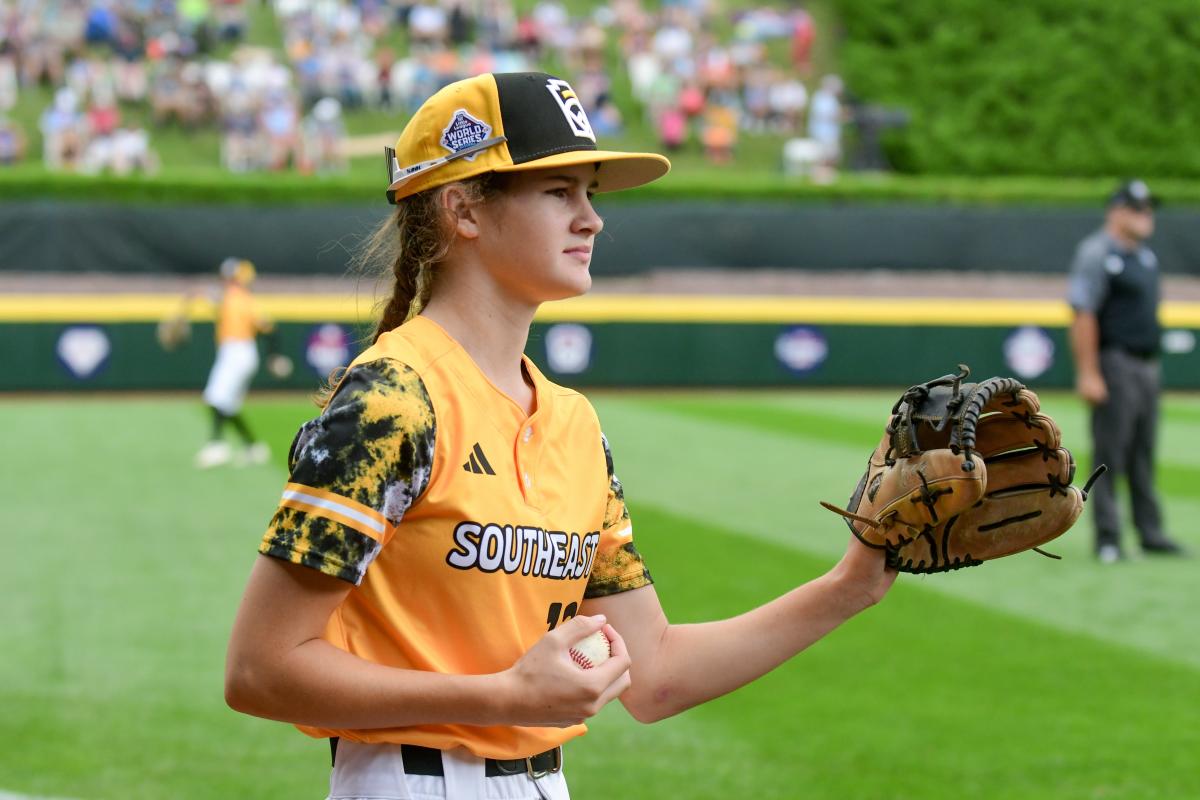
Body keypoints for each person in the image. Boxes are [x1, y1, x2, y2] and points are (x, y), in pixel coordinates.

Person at [224, 71, 896, 800]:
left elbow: (656, 672)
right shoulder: (394, 398)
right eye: (557, 192)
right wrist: (504, 698)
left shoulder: (573, 421)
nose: (592, 220)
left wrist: (851, 586)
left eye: (590, 195)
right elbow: (261, 670)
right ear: (463, 212)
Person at [1067, 179, 1186, 562]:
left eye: (1149, 208)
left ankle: (1150, 532)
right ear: (1116, 211)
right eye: (1138, 208)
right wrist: (1089, 372)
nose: (1146, 215)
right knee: (1110, 450)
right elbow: (1083, 313)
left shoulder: (1145, 256)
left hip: (1145, 364)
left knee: (1143, 451)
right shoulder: (1097, 252)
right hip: (1114, 361)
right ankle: (1107, 537)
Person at [195, 257, 272, 469]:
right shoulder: (236, 297)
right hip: (237, 353)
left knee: (215, 397)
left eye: (230, 277)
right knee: (228, 404)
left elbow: (267, 327)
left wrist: (275, 356)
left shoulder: (238, 297)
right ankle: (254, 447)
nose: (227, 280)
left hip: (238, 352)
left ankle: (216, 446)